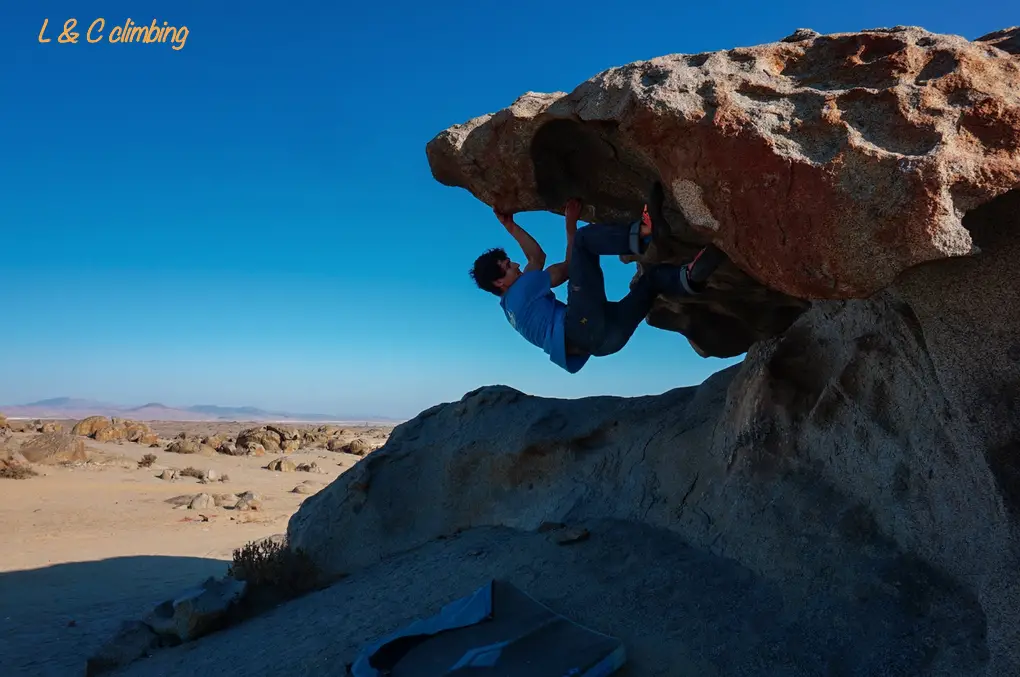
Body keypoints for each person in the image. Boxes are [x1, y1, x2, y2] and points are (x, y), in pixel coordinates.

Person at [469, 182, 726, 373]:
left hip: (604, 344)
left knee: (652, 280)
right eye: (507, 266)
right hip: (581, 328)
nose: (515, 264)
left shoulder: (512, 308)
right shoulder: (521, 291)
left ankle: (690, 278)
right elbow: (558, 265)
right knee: (583, 240)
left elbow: (538, 260)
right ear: (499, 282)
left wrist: (511, 226)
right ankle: (644, 234)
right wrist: (570, 228)